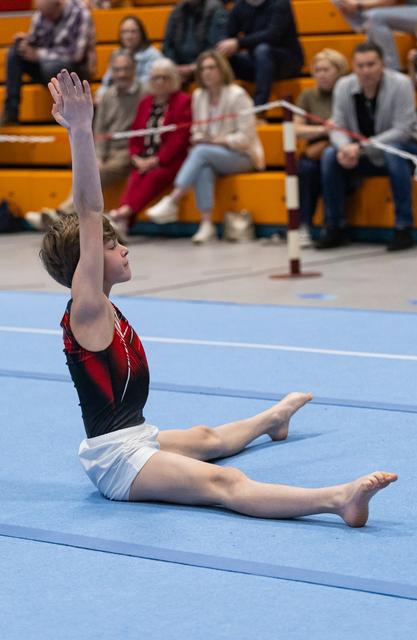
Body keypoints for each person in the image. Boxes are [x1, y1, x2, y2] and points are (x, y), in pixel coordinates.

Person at [39, 68, 397, 523]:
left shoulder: (103, 305)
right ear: (83, 266)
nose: (122, 247)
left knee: (208, 437)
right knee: (226, 484)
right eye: (110, 245)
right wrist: (80, 131)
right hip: (118, 462)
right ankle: (337, 500)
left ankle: (272, 421)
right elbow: (90, 209)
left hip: (135, 436)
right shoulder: (86, 308)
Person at [145, 50, 265, 244]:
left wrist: (216, 140)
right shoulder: (199, 95)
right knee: (203, 166)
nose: (207, 72)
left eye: (212, 67)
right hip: (210, 154)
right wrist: (204, 139)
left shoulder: (237, 95)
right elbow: (196, 132)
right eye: (203, 69)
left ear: (222, 69)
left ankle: (173, 200)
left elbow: (246, 138)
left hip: (243, 155)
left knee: (201, 153)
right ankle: (206, 224)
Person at [317, 41, 417, 251]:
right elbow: (337, 125)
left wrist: (360, 148)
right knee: (330, 155)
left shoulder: (401, 84)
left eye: (371, 64)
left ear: (382, 65)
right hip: (366, 153)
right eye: (361, 66)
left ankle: (404, 227)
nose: (366, 70)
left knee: (394, 152)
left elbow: (402, 130)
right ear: (353, 67)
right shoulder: (343, 86)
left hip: (410, 149)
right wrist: (344, 148)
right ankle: (335, 226)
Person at [25, 50, 145, 230]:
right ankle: (61, 214)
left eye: (126, 69)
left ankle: (60, 214)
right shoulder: (109, 95)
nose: (121, 73)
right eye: (117, 69)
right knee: (89, 165)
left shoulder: (144, 93)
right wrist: (99, 154)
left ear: (134, 69)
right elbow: (101, 128)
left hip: (129, 150)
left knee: (94, 172)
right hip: (108, 149)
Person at [107, 58, 192, 234]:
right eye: (156, 78)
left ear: (174, 79)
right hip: (144, 157)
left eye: (165, 78)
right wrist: (136, 157)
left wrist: (156, 160)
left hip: (172, 160)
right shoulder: (145, 103)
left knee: (154, 175)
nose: (160, 82)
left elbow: (179, 138)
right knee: (136, 176)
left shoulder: (183, 101)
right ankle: (122, 221)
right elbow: (135, 134)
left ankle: (123, 213)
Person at [0, 0, 96, 126]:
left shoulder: (81, 14)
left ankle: (69, 116)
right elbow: (35, 40)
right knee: (15, 53)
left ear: (59, 4)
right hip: (47, 68)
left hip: (75, 71)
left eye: (50, 15)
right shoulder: (41, 14)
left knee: (55, 66)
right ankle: (11, 112)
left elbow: (76, 55)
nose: (46, 19)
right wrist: (25, 41)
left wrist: (39, 55)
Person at [294, 49, 349, 246]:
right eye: (317, 70)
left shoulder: (347, 92)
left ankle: (333, 224)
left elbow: (348, 127)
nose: (321, 74)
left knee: (328, 158)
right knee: (306, 168)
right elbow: (297, 129)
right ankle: (304, 225)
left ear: (339, 71)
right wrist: (325, 130)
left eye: (326, 69)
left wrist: (326, 138)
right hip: (314, 152)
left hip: (340, 150)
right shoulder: (308, 95)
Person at [217, 0, 304, 107]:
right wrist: (224, 45)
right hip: (257, 63)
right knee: (221, 58)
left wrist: (238, 43)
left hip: (286, 62)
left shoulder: (280, 3)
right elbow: (228, 35)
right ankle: (224, 106)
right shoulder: (240, 6)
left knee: (262, 50)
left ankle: (258, 107)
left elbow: (273, 36)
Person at [333, 0, 417, 70]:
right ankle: (365, 23)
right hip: (406, 9)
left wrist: (359, 5)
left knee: (376, 17)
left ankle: (393, 70)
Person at [95, 15, 163, 103]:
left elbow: (149, 85)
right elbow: (107, 81)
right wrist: (101, 94)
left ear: (141, 33)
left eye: (133, 31)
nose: (129, 36)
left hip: (142, 100)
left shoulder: (154, 55)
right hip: (118, 98)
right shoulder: (116, 54)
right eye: (125, 32)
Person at [162, 0, 228, 84]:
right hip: (178, 68)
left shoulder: (216, 9)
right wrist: (174, 67)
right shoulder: (177, 10)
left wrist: (194, 67)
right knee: (159, 77)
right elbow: (168, 45)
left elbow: (216, 46)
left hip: (204, 65)